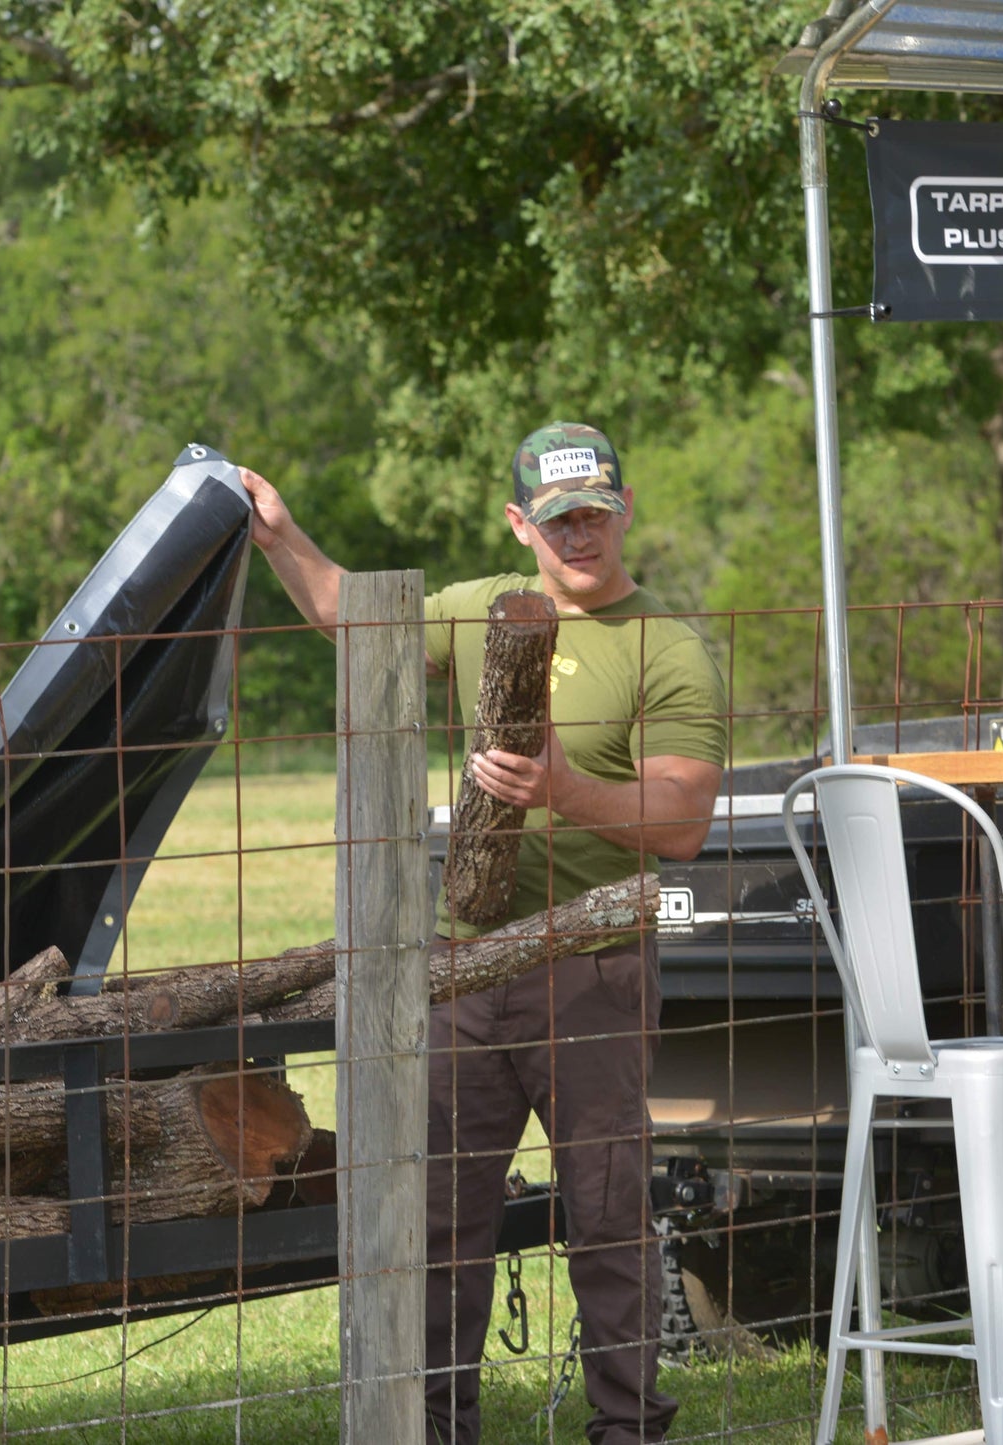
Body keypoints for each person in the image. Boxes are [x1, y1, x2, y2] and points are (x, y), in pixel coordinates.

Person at [240, 422, 728, 1444]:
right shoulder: (478, 610)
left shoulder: (666, 645)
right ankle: (431, 1427)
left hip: (591, 965)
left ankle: (627, 1429)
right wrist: (280, 533)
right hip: (463, 965)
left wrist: (561, 787)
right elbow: (347, 615)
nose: (579, 533)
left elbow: (679, 818)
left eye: (594, 511)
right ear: (520, 522)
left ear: (623, 508)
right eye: (557, 519)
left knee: (602, 1211)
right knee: (439, 1218)